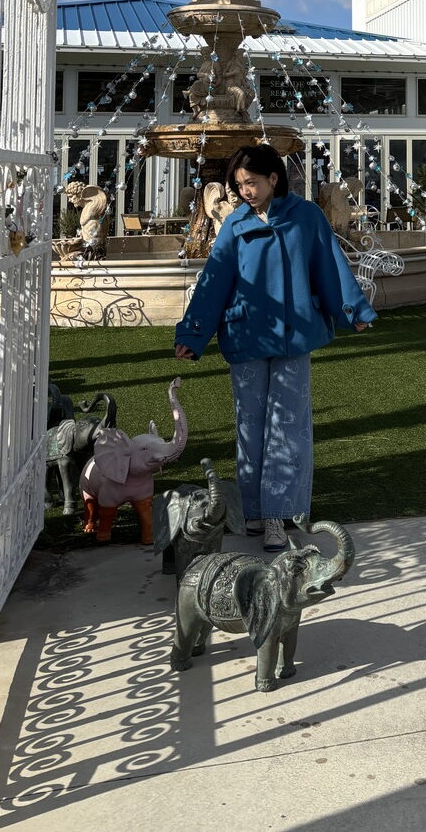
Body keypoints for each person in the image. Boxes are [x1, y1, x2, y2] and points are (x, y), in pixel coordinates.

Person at [174, 143, 375, 551]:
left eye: (251, 182)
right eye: (239, 185)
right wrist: (193, 334)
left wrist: (352, 310)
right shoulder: (235, 224)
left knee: (288, 425)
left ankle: (278, 517)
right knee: (250, 424)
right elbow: (214, 282)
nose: (245, 191)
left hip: (294, 335)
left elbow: (330, 267)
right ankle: (252, 509)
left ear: (273, 178)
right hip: (246, 335)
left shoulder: (306, 216)